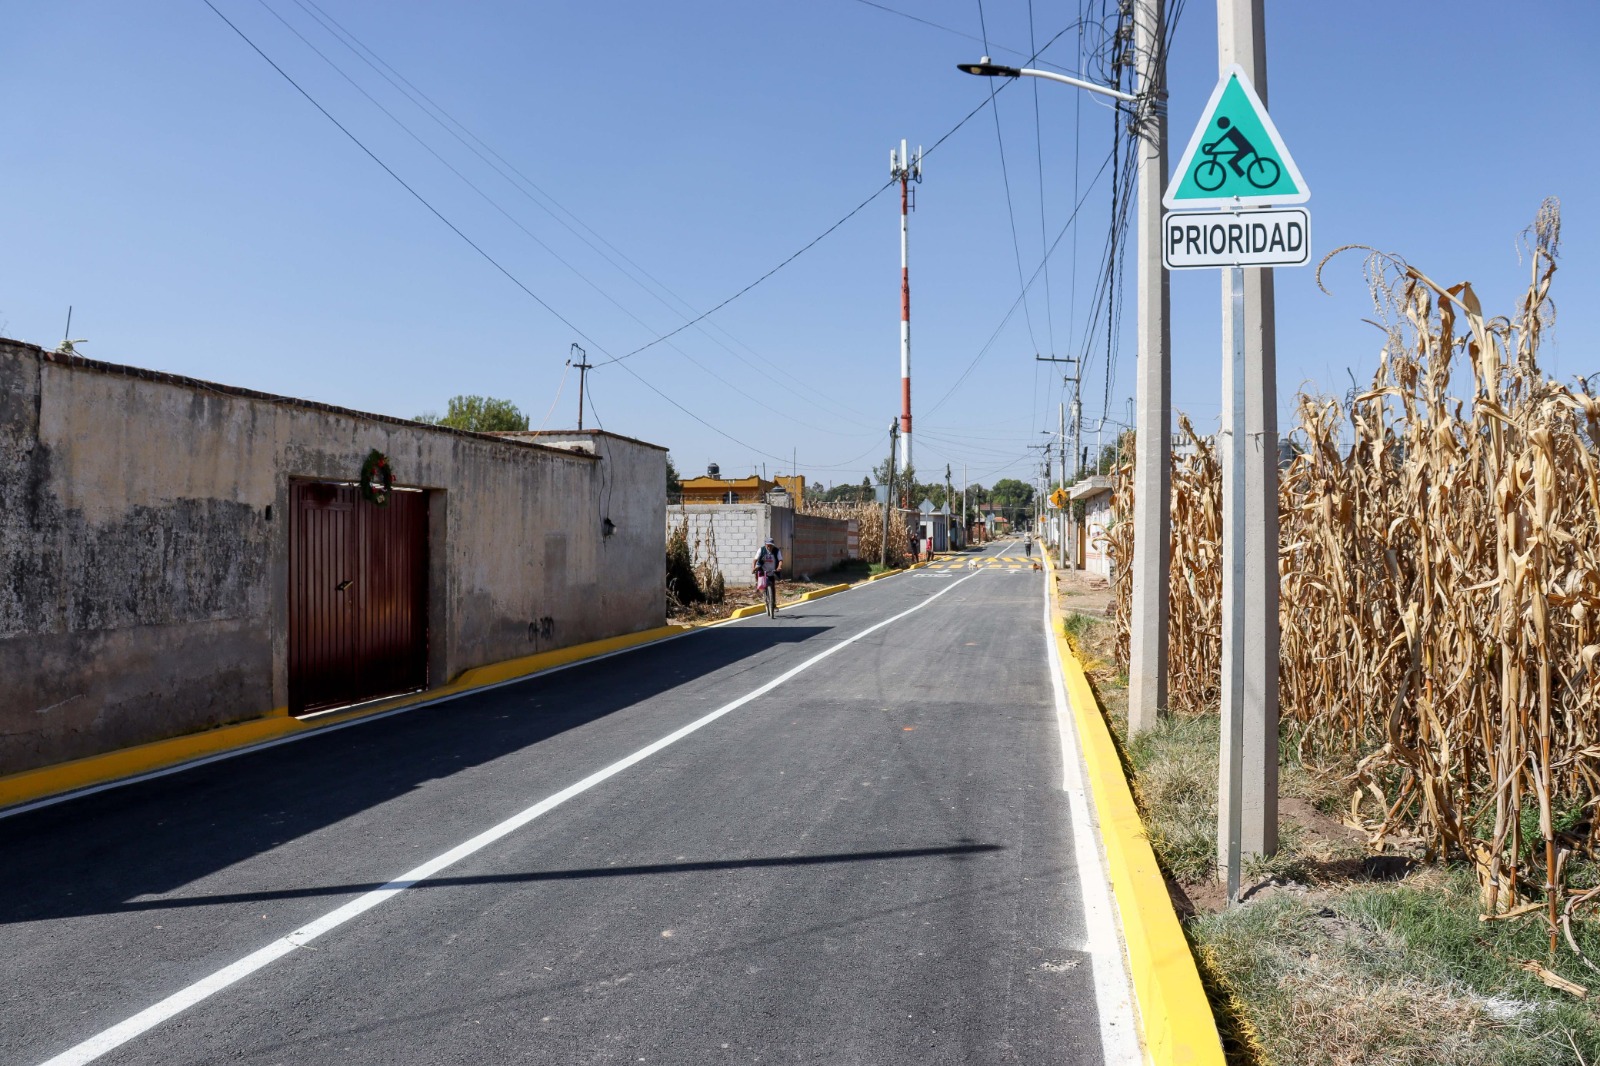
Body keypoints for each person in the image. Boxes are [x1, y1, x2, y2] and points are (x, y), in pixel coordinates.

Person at [752, 537, 782, 618]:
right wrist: (753, 568)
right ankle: (758, 585)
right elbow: (755, 560)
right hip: (762, 569)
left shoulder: (776, 550)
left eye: (771, 546)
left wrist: (779, 567)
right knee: (759, 576)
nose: (770, 547)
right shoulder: (761, 550)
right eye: (768, 545)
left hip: (772, 571)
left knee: (772, 587)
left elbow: (780, 560)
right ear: (765, 545)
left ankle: (773, 604)